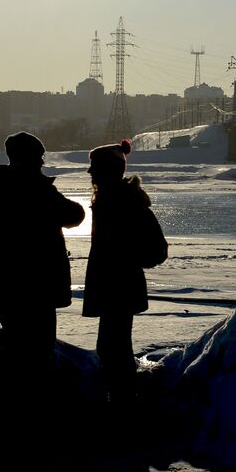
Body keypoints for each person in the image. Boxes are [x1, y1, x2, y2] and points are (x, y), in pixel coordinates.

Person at [0, 131, 85, 472]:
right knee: (37, 351)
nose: (43, 161)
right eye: (39, 155)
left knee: (14, 344)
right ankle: (33, 427)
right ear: (28, 157)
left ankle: (7, 420)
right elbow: (73, 215)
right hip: (35, 282)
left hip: (7, 281)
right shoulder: (32, 187)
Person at [83, 139, 168, 413]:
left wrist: (125, 261)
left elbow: (157, 249)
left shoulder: (121, 202)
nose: (91, 174)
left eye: (95, 168)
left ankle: (123, 406)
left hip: (117, 286)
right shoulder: (116, 199)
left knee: (113, 348)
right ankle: (122, 402)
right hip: (117, 285)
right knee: (113, 346)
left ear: (109, 170)